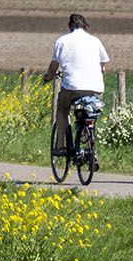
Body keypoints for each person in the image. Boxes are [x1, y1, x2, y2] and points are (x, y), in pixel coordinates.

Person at [41, 13, 108, 164]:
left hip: (72, 86)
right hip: (94, 88)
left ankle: (60, 145)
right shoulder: (95, 41)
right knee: (90, 114)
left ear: (70, 26)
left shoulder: (62, 41)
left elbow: (53, 66)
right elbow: (102, 67)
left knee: (62, 108)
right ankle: (92, 149)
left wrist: (48, 77)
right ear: (85, 26)